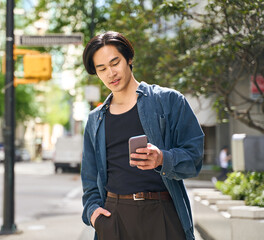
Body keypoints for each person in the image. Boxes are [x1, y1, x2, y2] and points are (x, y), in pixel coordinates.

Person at [81, 31, 204, 240]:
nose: (110, 73)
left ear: (129, 59)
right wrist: (93, 213)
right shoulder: (96, 119)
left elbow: (194, 158)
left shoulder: (168, 101)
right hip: (114, 217)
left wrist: (162, 158)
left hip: (162, 213)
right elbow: (90, 179)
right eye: (102, 69)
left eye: (115, 63)